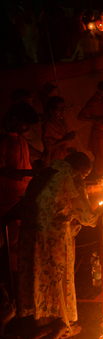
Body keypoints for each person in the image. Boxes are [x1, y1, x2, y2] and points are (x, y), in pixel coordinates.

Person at [17, 152, 103, 328]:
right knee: (55, 277)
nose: (84, 178)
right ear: (79, 169)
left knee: (37, 274)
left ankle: (39, 319)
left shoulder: (47, 172)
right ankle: (57, 323)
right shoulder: (71, 178)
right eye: (85, 174)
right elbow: (86, 216)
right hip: (52, 237)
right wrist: (99, 214)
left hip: (30, 233)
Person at [1, 103, 40, 272]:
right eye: (26, 124)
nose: (28, 128)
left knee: (26, 237)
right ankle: (15, 279)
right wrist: (26, 173)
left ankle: (25, 271)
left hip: (23, 196)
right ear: (14, 119)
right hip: (8, 200)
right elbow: (2, 170)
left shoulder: (21, 139)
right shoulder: (3, 141)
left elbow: (25, 162)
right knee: (13, 242)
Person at [77, 81, 103, 176]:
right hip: (98, 132)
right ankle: (100, 177)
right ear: (99, 90)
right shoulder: (93, 102)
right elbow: (80, 116)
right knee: (101, 156)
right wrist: (95, 119)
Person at [42, 96, 77, 164]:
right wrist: (65, 139)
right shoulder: (48, 125)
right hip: (54, 160)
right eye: (59, 109)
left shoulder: (62, 122)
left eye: (64, 108)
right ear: (51, 110)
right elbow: (48, 148)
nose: (63, 111)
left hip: (64, 158)